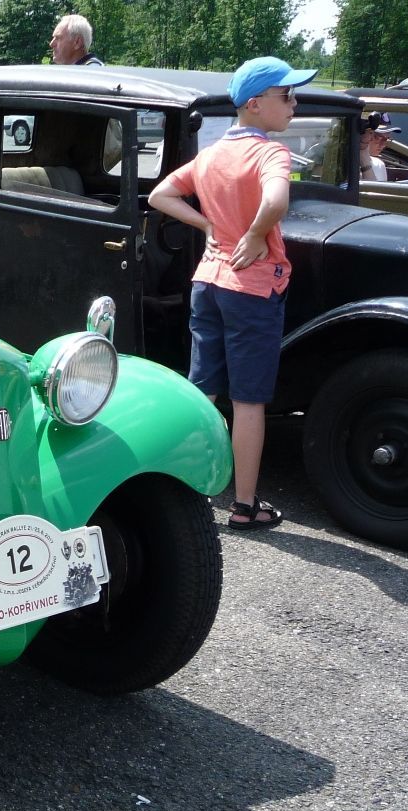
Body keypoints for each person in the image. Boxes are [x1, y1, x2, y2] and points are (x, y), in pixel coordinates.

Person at [147, 56, 317, 531]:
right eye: (287, 96)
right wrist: (260, 231)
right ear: (256, 104)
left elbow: (161, 195)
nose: (294, 104)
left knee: (204, 390)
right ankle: (244, 505)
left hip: (208, 281)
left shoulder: (212, 153)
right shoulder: (271, 154)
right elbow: (277, 200)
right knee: (247, 402)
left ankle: (184, 490)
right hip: (252, 286)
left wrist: (209, 226)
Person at [359, 111, 401, 181]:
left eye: (386, 139)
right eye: (378, 137)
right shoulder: (339, 159)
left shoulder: (379, 165)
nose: (383, 144)